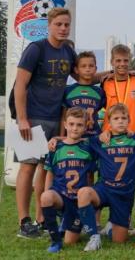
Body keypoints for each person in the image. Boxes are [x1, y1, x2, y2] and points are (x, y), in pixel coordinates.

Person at [14, 7, 77, 238]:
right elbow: (20, 85)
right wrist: (22, 119)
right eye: (58, 24)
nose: (63, 28)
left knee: (45, 169)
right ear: (49, 25)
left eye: (66, 24)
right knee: (28, 167)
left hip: (55, 118)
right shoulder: (36, 49)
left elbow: (83, 76)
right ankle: (24, 221)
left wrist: (112, 74)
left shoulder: (68, 51)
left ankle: (41, 219)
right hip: (33, 118)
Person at [76, 103, 135, 251]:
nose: (120, 121)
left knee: (119, 240)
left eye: (124, 118)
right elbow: (75, 139)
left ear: (129, 120)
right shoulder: (100, 140)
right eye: (116, 118)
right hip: (105, 189)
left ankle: (111, 227)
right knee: (84, 193)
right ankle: (94, 236)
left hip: (123, 194)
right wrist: (55, 139)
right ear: (109, 122)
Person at [40, 107, 95, 254]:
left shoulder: (88, 148)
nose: (75, 128)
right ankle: (55, 240)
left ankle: (68, 224)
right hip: (60, 195)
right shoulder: (56, 148)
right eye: (71, 124)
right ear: (65, 124)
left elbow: (90, 177)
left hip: (78, 200)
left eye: (79, 125)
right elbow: (50, 173)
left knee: (70, 241)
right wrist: (47, 195)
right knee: (46, 197)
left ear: (85, 127)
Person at [101, 44, 135, 134]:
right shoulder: (106, 82)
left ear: (130, 61)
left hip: (132, 133)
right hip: (109, 134)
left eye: (125, 60)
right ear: (112, 62)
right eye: (118, 61)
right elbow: (100, 104)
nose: (122, 64)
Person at [61, 51, 105, 137]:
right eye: (83, 66)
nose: (87, 69)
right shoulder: (68, 90)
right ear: (76, 70)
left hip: (94, 136)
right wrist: (62, 137)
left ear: (95, 69)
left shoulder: (100, 91)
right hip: (73, 137)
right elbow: (63, 116)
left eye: (91, 66)